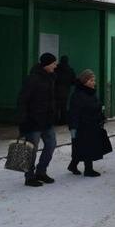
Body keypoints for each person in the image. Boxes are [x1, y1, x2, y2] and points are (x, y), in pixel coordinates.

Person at [17, 53, 58, 187]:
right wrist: (23, 122)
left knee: (51, 145)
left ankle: (41, 171)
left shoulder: (51, 77)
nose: (55, 65)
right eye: (53, 63)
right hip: (33, 121)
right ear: (46, 64)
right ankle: (29, 177)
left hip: (47, 121)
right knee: (31, 150)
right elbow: (22, 100)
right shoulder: (33, 79)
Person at [67, 69, 107, 177]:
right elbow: (73, 112)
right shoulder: (78, 94)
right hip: (82, 125)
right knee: (86, 146)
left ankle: (72, 165)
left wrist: (101, 117)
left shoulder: (92, 92)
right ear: (84, 81)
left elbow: (97, 106)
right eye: (91, 80)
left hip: (93, 123)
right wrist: (73, 128)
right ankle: (88, 170)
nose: (93, 82)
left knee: (81, 147)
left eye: (94, 80)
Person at [54, 56, 76, 125]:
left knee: (55, 106)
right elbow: (73, 81)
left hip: (55, 89)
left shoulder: (56, 69)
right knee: (63, 106)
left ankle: (55, 120)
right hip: (65, 89)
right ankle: (63, 120)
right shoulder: (70, 70)